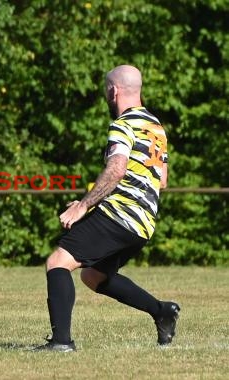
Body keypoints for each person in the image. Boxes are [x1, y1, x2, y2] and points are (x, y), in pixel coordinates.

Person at [34, 65, 179, 352]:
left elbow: (116, 169)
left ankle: (61, 342)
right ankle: (162, 311)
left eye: (106, 91)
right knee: (93, 276)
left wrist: (83, 206)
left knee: (58, 263)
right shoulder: (155, 127)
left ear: (113, 91)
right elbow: (161, 180)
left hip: (119, 214)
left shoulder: (123, 124)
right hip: (143, 223)